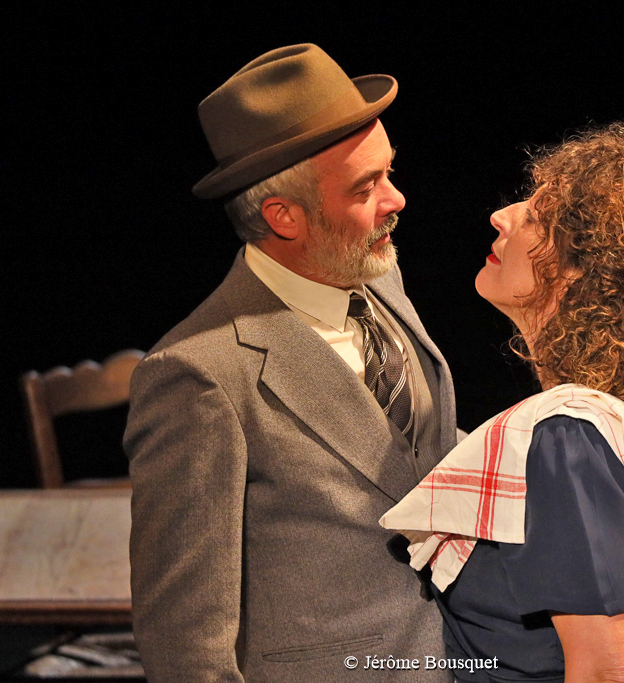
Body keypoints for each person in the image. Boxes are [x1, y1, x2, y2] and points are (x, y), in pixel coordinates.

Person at [124, 44, 459, 682]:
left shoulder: (379, 281)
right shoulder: (200, 375)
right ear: (284, 216)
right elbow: (184, 642)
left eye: (389, 171)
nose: (398, 199)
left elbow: (412, 458)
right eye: (367, 187)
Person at [382, 123, 624, 682]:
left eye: (534, 217)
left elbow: (607, 669)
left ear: (580, 273)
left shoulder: (567, 438)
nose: (501, 216)